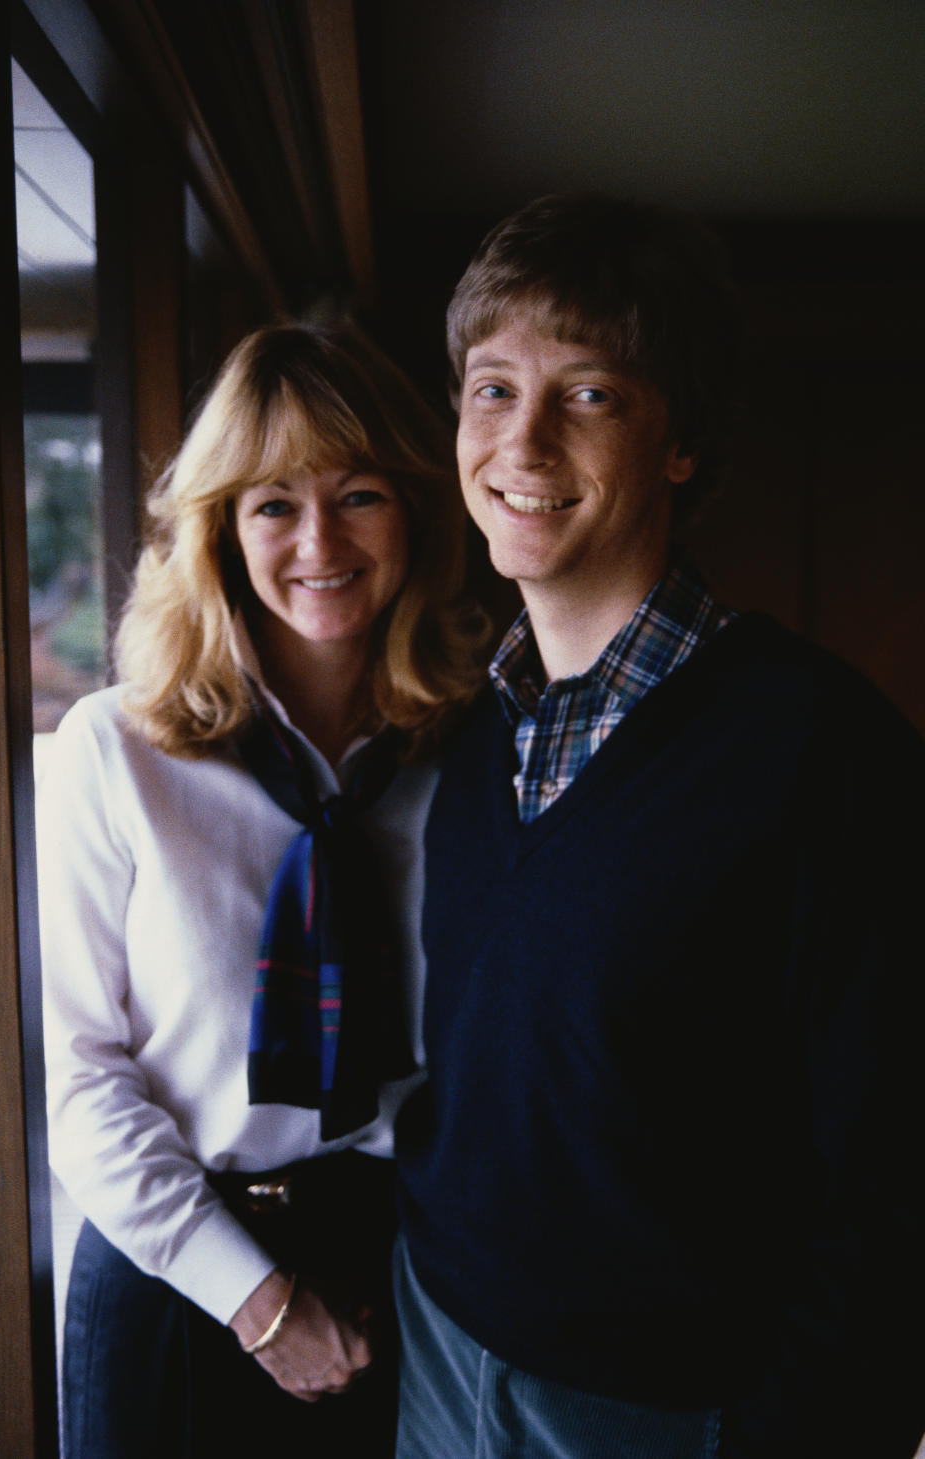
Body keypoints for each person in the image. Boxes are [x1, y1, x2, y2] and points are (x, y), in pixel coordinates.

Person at [393, 194, 925, 1459]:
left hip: (662, 1414)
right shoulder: (469, 728)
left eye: (588, 395)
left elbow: (900, 1177)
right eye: (491, 388)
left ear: (679, 440)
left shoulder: (827, 754)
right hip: (435, 1358)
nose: (520, 440)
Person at [38, 321, 486, 1458]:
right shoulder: (115, 752)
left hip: (408, 1279)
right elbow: (86, 1093)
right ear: (223, 532)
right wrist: (259, 1302)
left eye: (361, 494)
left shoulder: (472, 755)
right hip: (186, 1283)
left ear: (417, 514)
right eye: (274, 502)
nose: (319, 539)